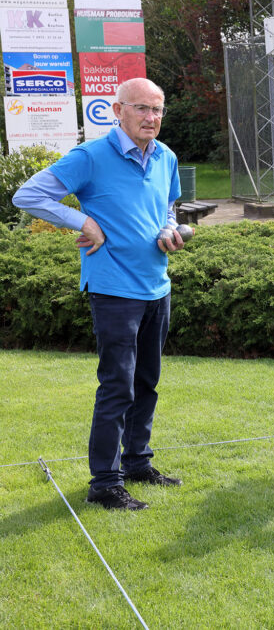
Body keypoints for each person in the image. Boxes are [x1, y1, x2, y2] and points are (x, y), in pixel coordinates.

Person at [12, 78, 185, 511]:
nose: (152, 118)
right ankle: (105, 484)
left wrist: (168, 229)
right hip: (113, 291)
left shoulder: (166, 157)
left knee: (147, 381)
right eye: (142, 109)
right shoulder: (91, 156)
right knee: (117, 386)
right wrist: (81, 222)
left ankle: (137, 463)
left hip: (156, 286)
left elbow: (168, 205)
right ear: (117, 110)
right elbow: (28, 194)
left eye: (158, 110)